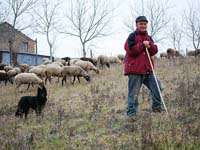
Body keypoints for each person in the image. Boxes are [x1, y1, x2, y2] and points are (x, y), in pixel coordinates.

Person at [124, 16, 163, 118]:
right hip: (135, 69)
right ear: (136, 25)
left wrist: (149, 44)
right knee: (134, 93)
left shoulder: (149, 38)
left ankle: (157, 108)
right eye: (141, 23)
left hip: (148, 69)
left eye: (145, 24)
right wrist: (142, 45)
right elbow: (131, 50)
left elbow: (154, 50)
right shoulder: (132, 36)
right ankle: (132, 114)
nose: (143, 25)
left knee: (158, 87)